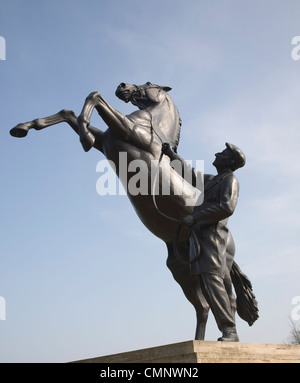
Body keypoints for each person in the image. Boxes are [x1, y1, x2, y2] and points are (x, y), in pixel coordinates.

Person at [162, 142, 246, 342]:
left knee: (213, 282)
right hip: (200, 237)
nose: (217, 153)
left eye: (224, 152)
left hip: (213, 237)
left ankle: (229, 331)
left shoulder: (230, 181)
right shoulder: (212, 180)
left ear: (230, 161)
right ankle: (229, 329)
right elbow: (190, 174)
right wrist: (171, 154)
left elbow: (227, 207)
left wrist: (196, 218)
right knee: (213, 284)